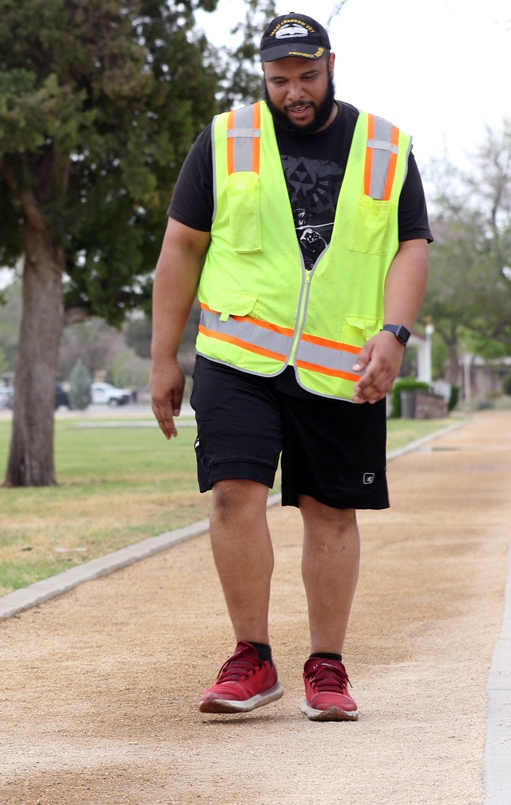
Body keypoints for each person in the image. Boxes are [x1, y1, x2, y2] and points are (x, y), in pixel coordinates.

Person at [149, 12, 431, 721]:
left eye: (306, 76)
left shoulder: (386, 147)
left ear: (331, 64)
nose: (294, 92)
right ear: (263, 77)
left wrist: (395, 335)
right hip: (238, 356)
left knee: (331, 508)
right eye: (280, 80)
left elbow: (411, 246)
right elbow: (181, 246)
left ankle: (327, 667)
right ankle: (253, 656)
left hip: (343, 363)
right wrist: (163, 357)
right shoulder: (226, 139)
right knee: (232, 493)